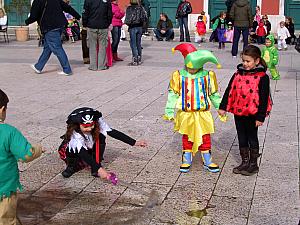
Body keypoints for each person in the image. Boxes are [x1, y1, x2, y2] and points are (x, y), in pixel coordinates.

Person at [163, 43, 223, 173]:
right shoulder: (178, 75)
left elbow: (213, 94)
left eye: (195, 68)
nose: (192, 70)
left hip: (203, 113)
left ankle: (207, 159)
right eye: (190, 67)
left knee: (205, 135)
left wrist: (220, 107)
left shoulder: (208, 75)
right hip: (186, 113)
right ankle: (187, 157)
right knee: (187, 135)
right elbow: (173, 94)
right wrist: (169, 110)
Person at [218, 45, 272, 176]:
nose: (245, 64)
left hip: (253, 113)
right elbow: (229, 90)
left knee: (252, 137)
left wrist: (260, 117)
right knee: (241, 136)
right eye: (244, 61)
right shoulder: (237, 74)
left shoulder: (262, 77)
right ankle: (245, 161)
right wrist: (223, 106)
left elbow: (264, 98)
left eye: (248, 61)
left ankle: (253, 164)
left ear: (257, 61)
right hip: (239, 111)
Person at [58, 107, 147, 178]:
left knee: (101, 137)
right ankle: (71, 167)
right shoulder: (75, 134)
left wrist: (134, 142)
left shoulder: (98, 123)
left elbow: (112, 132)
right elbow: (82, 153)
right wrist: (100, 170)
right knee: (72, 149)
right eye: (85, 127)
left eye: (91, 125)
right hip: (76, 152)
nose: (89, 129)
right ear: (77, 125)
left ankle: (95, 165)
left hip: (89, 146)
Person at [0, 89, 43, 224]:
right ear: (2, 110)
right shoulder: (9, 132)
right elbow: (26, 155)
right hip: (4, 189)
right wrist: (39, 149)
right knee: (6, 219)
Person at [25, 0, 80, 76]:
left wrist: (26, 22)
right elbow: (67, 7)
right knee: (47, 47)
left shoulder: (37, 1)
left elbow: (34, 16)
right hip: (60, 25)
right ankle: (38, 67)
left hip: (50, 27)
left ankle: (67, 69)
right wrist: (77, 16)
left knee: (57, 48)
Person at [82, 0, 112, 71]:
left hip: (91, 25)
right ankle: (101, 66)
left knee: (92, 46)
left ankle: (93, 66)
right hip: (103, 26)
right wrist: (108, 23)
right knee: (103, 46)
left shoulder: (88, 1)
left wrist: (85, 24)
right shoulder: (107, 1)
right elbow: (110, 14)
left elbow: (85, 13)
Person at [124, 0, 147, 66]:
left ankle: (135, 59)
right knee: (138, 43)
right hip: (140, 27)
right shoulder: (141, 8)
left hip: (132, 27)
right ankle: (139, 58)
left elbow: (127, 19)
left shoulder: (129, 8)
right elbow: (145, 18)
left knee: (133, 43)